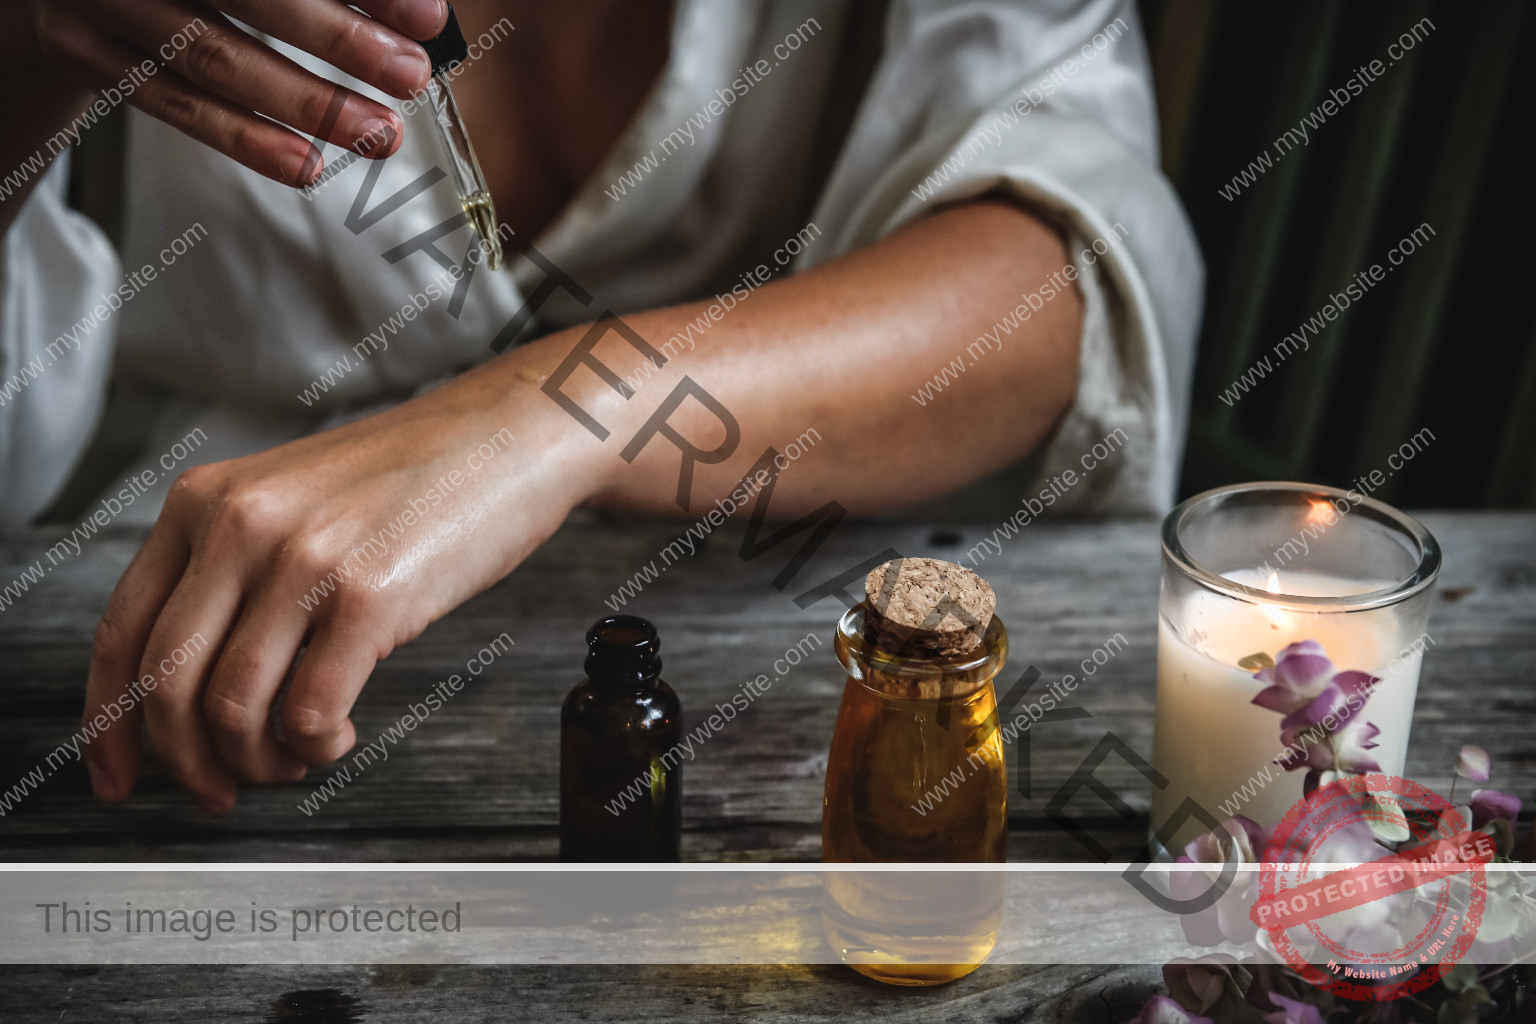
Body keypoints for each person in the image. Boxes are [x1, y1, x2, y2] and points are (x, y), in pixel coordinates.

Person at [0, 0, 1202, 811]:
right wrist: (27, 50)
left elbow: (1061, 260)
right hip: (136, 661)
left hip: (741, 648)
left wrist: (560, 408)